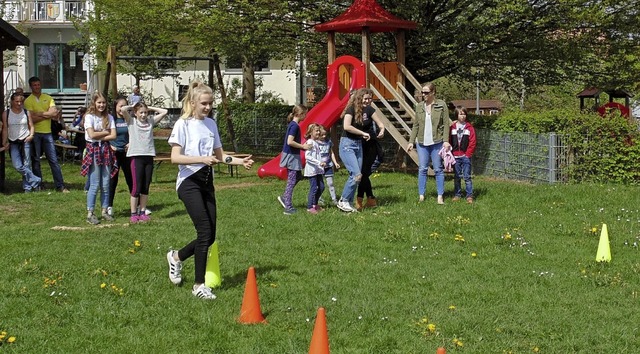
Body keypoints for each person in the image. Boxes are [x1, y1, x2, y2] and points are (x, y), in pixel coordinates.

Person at [166, 80, 254, 300]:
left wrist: (239, 161)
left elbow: (221, 156)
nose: (208, 107)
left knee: (210, 235)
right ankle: (199, 285)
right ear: (193, 103)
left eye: (210, 104)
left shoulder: (211, 124)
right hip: (188, 182)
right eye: (204, 103)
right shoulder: (182, 124)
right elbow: (175, 157)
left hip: (206, 182)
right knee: (204, 231)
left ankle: (176, 257)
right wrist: (201, 159)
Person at [337, 88, 386, 213]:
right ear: (359, 98)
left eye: (370, 98)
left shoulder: (369, 110)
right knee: (356, 175)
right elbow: (347, 126)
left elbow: (381, 123)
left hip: (358, 144)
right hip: (347, 144)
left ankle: (347, 202)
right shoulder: (351, 109)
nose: (368, 101)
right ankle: (343, 201)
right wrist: (362, 133)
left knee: (358, 175)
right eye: (365, 98)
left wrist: (381, 130)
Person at [121, 102, 168, 223]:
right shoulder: (131, 122)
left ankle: (142, 212)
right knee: (136, 187)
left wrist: (149, 108)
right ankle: (133, 213)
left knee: (145, 187)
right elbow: (123, 109)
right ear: (135, 113)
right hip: (136, 157)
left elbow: (165, 112)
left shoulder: (150, 121)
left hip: (149, 156)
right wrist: (133, 107)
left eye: (145, 112)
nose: (143, 115)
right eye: (141, 112)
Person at [407, 82, 451, 204]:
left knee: (438, 169)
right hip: (422, 142)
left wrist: (446, 141)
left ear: (433, 93)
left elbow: (446, 124)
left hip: (437, 142)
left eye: (426, 92)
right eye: (422, 92)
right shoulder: (419, 106)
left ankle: (440, 195)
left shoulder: (441, 105)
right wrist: (411, 141)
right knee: (422, 168)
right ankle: (421, 195)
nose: (423, 95)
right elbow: (416, 125)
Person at [24, 76, 69, 192]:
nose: (37, 87)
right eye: (34, 85)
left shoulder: (48, 98)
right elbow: (31, 119)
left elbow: (54, 114)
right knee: (36, 160)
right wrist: (46, 114)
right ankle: (38, 184)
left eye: (38, 84)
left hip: (47, 133)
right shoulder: (28, 101)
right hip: (35, 133)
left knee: (53, 160)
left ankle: (60, 185)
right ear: (31, 86)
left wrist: (38, 114)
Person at [81, 92, 117, 225]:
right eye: (99, 103)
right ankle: (90, 212)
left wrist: (99, 135)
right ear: (94, 103)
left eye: (103, 102)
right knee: (95, 183)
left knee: (106, 182)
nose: (101, 105)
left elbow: (113, 135)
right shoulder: (89, 116)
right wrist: (105, 132)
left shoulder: (109, 117)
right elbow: (91, 135)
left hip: (105, 149)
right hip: (93, 149)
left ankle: (104, 210)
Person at [0, 92, 42, 192]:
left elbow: (31, 126)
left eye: (21, 102)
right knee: (17, 165)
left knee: (27, 163)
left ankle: (27, 187)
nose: (19, 104)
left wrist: (31, 135)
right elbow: (5, 128)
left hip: (25, 139)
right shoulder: (7, 113)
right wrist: (4, 142)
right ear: (12, 101)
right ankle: (36, 179)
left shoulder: (26, 112)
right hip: (13, 141)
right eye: (17, 101)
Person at [277, 105, 311, 215]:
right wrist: (303, 147)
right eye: (305, 114)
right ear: (300, 114)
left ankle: (284, 197)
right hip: (291, 156)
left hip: (293, 155)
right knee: (291, 180)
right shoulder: (294, 126)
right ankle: (288, 207)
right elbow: (289, 141)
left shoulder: (293, 125)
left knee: (297, 176)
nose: (306, 116)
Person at [107, 97, 133, 217]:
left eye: (125, 106)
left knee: (131, 179)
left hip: (127, 153)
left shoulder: (129, 119)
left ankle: (137, 205)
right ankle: (109, 206)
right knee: (113, 180)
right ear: (115, 107)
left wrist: (131, 142)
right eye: (120, 106)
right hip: (114, 153)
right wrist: (110, 146)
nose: (122, 108)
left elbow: (135, 133)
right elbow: (105, 135)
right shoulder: (111, 119)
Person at [356, 118, 385, 211]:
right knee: (363, 175)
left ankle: (360, 200)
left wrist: (382, 130)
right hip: (364, 150)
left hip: (373, 151)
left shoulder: (371, 114)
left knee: (363, 175)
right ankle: (370, 199)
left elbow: (375, 131)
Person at [449, 106, 476, 203]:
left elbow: (472, 142)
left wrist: (468, 154)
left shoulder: (469, 128)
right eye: (461, 114)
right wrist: (450, 153)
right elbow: (449, 140)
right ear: (457, 115)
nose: (463, 116)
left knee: (467, 177)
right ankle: (457, 194)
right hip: (455, 156)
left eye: (464, 114)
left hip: (465, 156)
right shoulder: (452, 127)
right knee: (457, 177)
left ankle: (469, 196)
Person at [303, 124, 325, 214]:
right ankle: (309, 207)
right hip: (312, 169)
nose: (318, 132)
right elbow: (307, 156)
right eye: (316, 130)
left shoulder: (316, 142)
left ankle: (315, 204)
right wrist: (319, 162)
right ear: (310, 132)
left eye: (319, 130)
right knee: (314, 187)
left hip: (318, 169)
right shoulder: (310, 142)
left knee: (321, 187)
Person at [316, 125, 340, 206]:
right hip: (319, 166)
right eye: (322, 135)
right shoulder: (315, 143)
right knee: (319, 184)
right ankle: (319, 198)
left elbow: (331, 153)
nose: (324, 136)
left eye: (325, 134)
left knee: (330, 183)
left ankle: (334, 199)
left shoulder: (328, 142)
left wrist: (335, 163)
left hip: (328, 165)